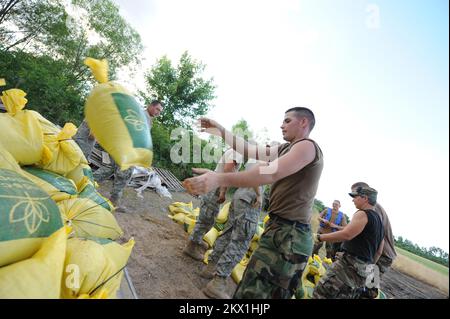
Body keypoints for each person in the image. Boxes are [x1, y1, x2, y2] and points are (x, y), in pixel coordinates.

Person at [183, 106, 324, 299]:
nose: (281, 125)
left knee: (263, 293)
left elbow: (270, 172)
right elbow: (248, 149)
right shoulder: (284, 149)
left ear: (304, 122)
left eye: (287, 121)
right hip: (280, 229)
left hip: (292, 235)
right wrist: (221, 131)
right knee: (251, 288)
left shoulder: (307, 146)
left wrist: (219, 179)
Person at [73, 100, 163, 213]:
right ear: (150, 106)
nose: (158, 112)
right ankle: (112, 200)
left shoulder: (148, 119)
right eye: (157, 109)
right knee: (125, 173)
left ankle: (85, 184)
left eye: (160, 111)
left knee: (109, 169)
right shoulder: (141, 115)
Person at [200, 159, 264, 299]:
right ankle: (217, 283)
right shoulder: (270, 159)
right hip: (249, 201)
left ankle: (210, 268)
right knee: (240, 242)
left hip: (239, 197)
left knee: (228, 234)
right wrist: (259, 194)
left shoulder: (255, 157)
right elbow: (256, 175)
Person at [312, 186, 384, 299]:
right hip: (362, 273)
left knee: (321, 294)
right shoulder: (380, 223)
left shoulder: (362, 214)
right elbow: (379, 251)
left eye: (355, 197)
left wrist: (319, 237)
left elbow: (346, 234)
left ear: (364, 198)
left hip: (346, 269)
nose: (353, 199)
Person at [183, 147, 244, 260]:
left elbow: (218, 171)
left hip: (214, 185)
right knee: (206, 219)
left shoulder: (233, 151)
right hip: (216, 188)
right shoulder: (238, 153)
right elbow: (227, 171)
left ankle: (197, 240)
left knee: (208, 218)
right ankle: (191, 247)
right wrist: (223, 192)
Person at [351, 181, 397, 298]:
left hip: (382, 256)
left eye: (354, 194)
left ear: (363, 194)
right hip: (377, 253)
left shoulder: (373, 210)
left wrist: (371, 264)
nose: (352, 198)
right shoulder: (370, 209)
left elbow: (379, 241)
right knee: (365, 286)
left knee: (368, 289)